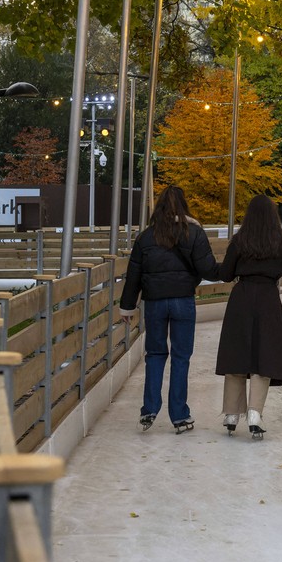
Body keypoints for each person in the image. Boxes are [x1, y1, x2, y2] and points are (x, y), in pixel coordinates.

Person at [215, 195, 282, 440]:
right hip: (268, 300)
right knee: (264, 355)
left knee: (238, 353)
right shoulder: (281, 243)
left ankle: (231, 414)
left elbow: (226, 273)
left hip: (241, 299)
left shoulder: (240, 240)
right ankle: (254, 414)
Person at [119, 185, 219, 434]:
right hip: (183, 300)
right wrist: (232, 270)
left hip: (154, 302)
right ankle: (179, 415)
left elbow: (134, 274)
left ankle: (149, 410)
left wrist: (127, 306)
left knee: (155, 354)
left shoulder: (146, 237)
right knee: (181, 357)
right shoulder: (193, 232)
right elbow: (207, 268)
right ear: (184, 205)